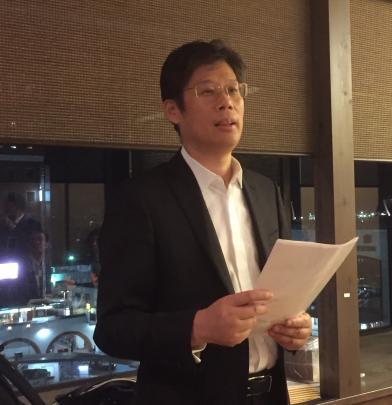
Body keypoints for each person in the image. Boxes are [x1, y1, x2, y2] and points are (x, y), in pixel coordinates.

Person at [94, 40, 312, 405]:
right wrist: (196, 327)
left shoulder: (265, 191)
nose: (227, 102)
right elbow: (113, 328)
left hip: (271, 395)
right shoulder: (141, 199)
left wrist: (295, 327)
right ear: (172, 110)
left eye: (233, 90)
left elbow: (281, 292)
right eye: (207, 91)